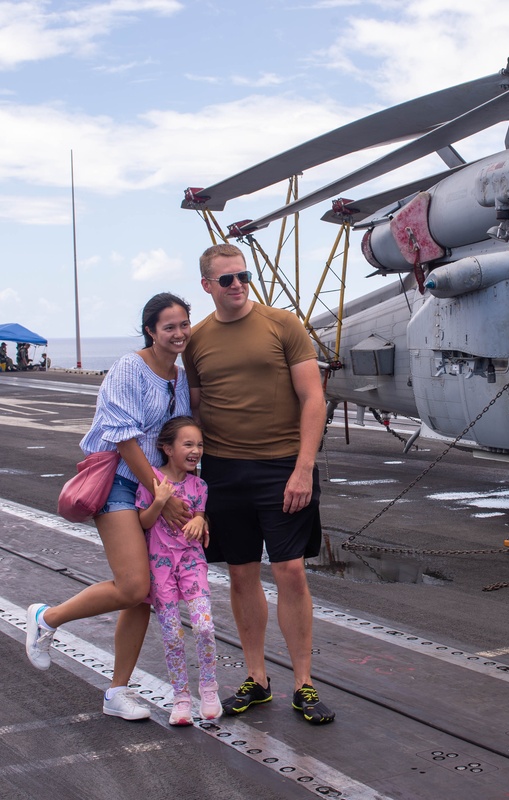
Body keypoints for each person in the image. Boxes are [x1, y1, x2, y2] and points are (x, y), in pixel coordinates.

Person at [182, 243, 333, 725]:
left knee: (291, 571)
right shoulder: (196, 340)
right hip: (224, 472)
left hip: (283, 466)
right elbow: (195, 409)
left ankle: (304, 684)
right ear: (207, 285)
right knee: (242, 573)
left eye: (243, 275)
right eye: (226, 279)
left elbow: (313, 398)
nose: (237, 284)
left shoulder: (283, 324)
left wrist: (304, 467)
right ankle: (257, 679)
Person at [25, 292, 194, 720]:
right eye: (168, 326)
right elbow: (125, 439)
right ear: (150, 331)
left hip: (155, 490)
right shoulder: (128, 368)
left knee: (143, 597)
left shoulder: (180, 376)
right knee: (134, 586)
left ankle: (117, 692)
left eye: (183, 325)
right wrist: (163, 493)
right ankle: (47, 617)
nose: (178, 333)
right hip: (121, 482)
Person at [136, 416, 221, 726]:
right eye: (188, 444)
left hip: (191, 562)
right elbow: (143, 522)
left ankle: (209, 688)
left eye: (199, 445)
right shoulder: (154, 480)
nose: (196, 450)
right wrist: (159, 501)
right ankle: (181, 697)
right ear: (167, 449)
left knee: (204, 627)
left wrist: (201, 519)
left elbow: (198, 514)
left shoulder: (199, 485)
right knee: (172, 634)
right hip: (160, 567)